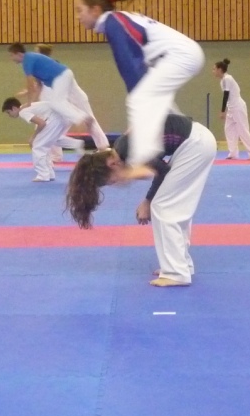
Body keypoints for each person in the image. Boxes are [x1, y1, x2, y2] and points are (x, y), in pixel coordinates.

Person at [74, 0, 205, 179]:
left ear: (95, 10)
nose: (78, 17)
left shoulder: (114, 23)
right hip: (180, 55)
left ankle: (141, 162)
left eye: (79, 10)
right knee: (153, 99)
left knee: (141, 96)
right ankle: (183, 141)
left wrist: (139, 116)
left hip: (182, 56)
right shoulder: (117, 21)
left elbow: (131, 68)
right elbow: (140, 68)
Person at [66, 114, 216, 287]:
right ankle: (180, 266)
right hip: (194, 141)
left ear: (112, 164)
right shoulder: (122, 149)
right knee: (171, 206)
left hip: (195, 144)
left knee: (163, 207)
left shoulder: (130, 152)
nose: (117, 183)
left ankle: (177, 272)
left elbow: (162, 171)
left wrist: (147, 201)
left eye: (112, 180)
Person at [7, 43, 110, 151]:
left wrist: (29, 102)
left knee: (56, 103)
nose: (11, 58)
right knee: (63, 107)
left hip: (62, 79)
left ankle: (82, 118)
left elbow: (30, 83)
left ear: (18, 54)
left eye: (11, 55)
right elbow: (37, 85)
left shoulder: (28, 60)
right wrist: (29, 97)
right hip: (66, 78)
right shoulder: (37, 63)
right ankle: (102, 146)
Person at [1, 96, 84, 182]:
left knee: (38, 146)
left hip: (56, 118)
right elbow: (42, 123)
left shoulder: (23, 112)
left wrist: (33, 137)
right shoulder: (26, 107)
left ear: (14, 108)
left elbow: (41, 123)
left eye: (8, 112)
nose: (9, 115)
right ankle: (75, 145)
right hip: (64, 117)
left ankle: (43, 174)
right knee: (51, 141)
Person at [213, 58, 250, 160]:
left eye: (214, 69)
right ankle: (233, 153)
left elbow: (226, 94)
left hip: (238, 107)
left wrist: (222, 111)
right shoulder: (223, 80)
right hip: (231, 107)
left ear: (220, 69)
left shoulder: (227, 79)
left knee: (243, 130)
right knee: (228, 129)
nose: (213, 71)